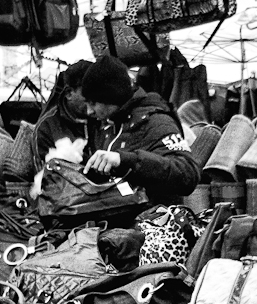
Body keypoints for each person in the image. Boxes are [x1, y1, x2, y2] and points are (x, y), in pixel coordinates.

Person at [81, 54, 200, 210]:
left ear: (111, 96)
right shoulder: (108, 126)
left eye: (93, 103)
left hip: (156, 221)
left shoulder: (157, 121)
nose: (89, 111)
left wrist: (126, 160)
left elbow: (187, 174)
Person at [32, 59, 101, 171]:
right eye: (87, 95)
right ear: (69, 93)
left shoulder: (104, 116)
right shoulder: (47, 127)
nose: (94, 101)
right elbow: (44, 174)